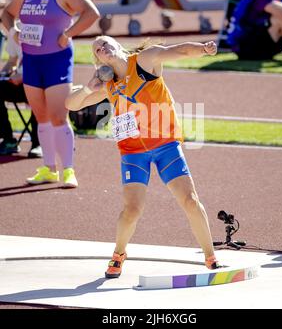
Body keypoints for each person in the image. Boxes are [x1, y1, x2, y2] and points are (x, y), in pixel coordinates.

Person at [65, 35, 222, 278]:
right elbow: (72, 104)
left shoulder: (145, 60)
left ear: (117, 45)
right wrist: (88, 87)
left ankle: (210, 256)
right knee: (132, 210)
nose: (103, 48)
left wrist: (203, 49)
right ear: (98, 59)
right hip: (133, 152)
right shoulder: (108, 84)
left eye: (106, 43)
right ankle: (118, 254)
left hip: (165, 145)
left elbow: (178, 50)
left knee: (190, 200)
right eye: (98, 49)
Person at [1, 0, 100, 187]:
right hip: (32, 61)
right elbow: (6, 14)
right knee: (41, 116)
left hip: (57, 59)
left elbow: (92, 13)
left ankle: (68, 170)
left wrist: (68, 34)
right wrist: (13, 31)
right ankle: (48, 168)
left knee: (58, 116)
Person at [0, 27, 42, 157]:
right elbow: (12, 61)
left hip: (39, 84)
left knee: (37, 91)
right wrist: (4, 74)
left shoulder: (43, 28)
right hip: (18, 85)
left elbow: (45, 65)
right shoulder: (15, 30)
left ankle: (38, 143)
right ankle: (8, 140)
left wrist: (25, 77)